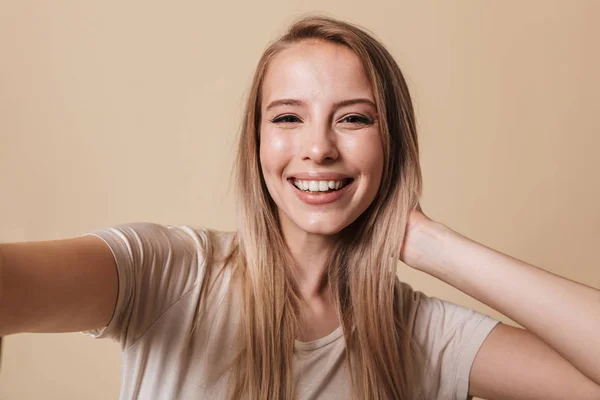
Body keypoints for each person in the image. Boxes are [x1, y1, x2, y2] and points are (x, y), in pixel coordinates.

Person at [1, 15, 599, 400]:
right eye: (288, 117)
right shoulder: (168, 272)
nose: (318, 147)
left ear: (391, 144)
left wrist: (428, 243)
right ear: (256, 142)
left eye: (354, 118)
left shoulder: (425, 335)